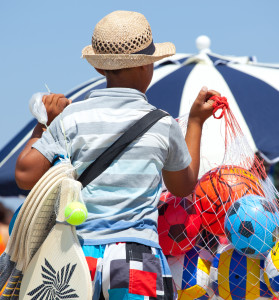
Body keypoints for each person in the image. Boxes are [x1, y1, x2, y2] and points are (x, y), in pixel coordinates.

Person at [15, 10, 219, 300]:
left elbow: (24, 176)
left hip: (76, 255)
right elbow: (182, 186)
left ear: (100, 69)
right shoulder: (161, 123)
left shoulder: (71, 117)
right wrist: (196, 122)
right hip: (137, 255)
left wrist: (43, 122)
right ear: (147, 65)